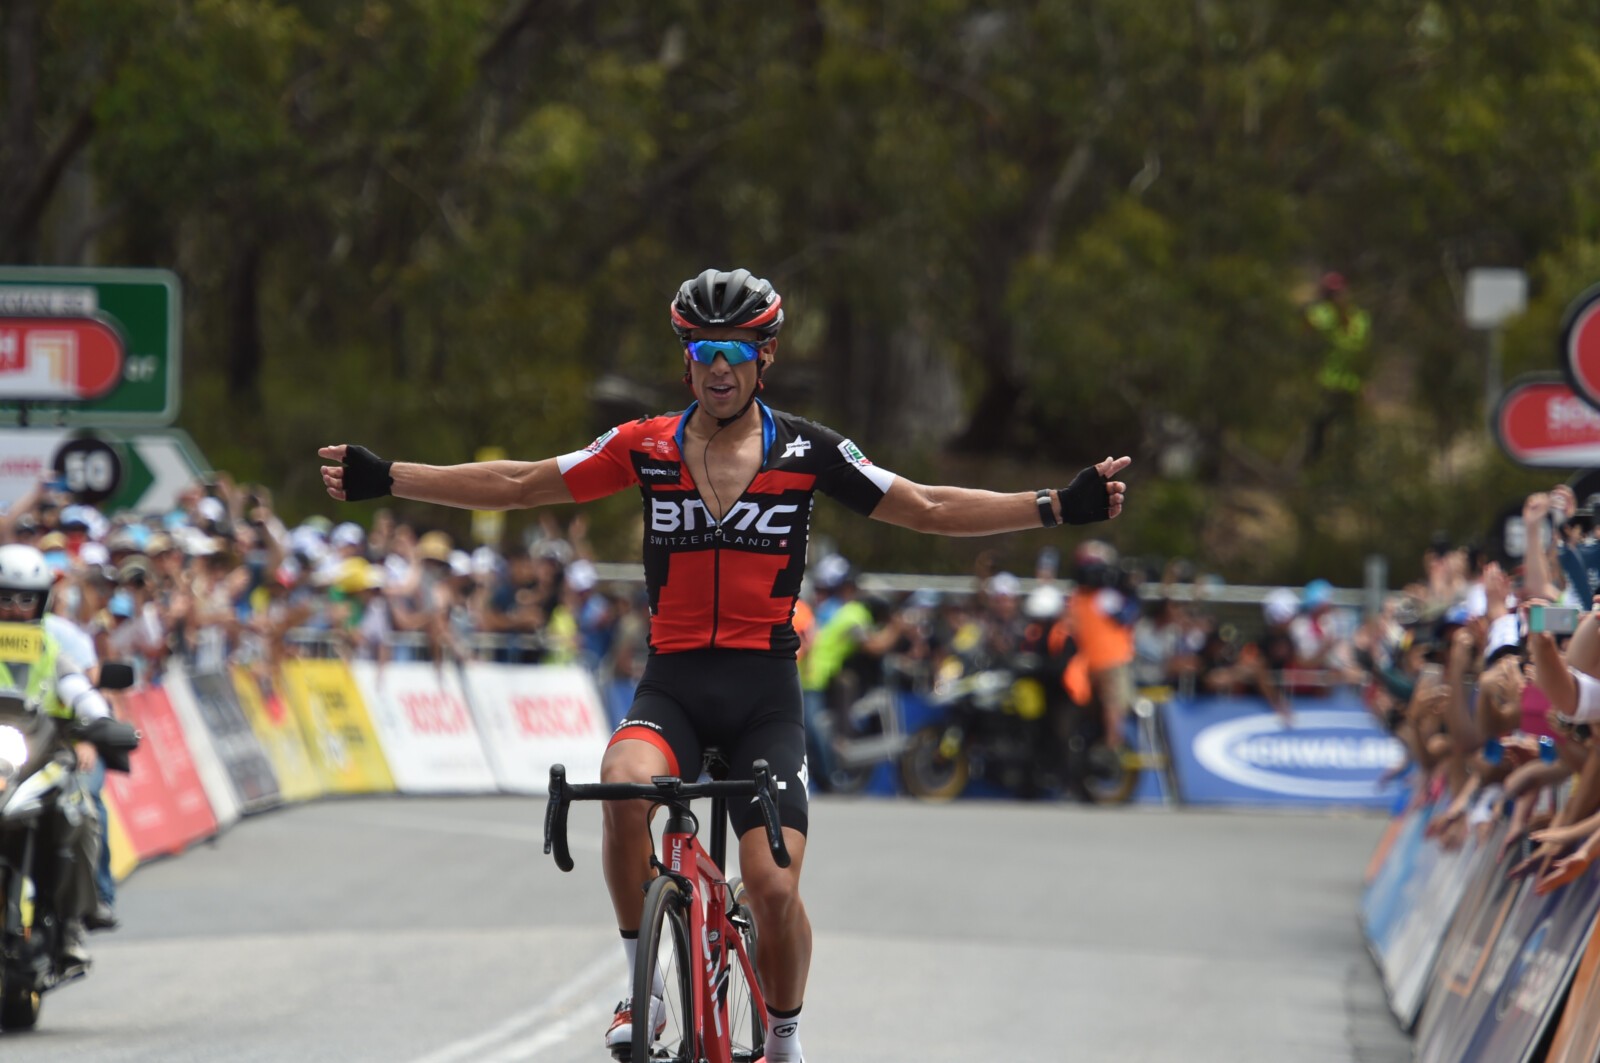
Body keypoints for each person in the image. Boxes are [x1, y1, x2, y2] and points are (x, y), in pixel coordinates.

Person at [317, 266, 1129, 1063]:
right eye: (701, 350)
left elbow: (924, 505)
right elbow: (527, 482)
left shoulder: (808, 450)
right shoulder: (646, 446)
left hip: (763, 698)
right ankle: (645, 984)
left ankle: (783, 1037)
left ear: (764, 357)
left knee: (772, 889)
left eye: (734, 352)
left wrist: (1054, 505)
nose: (716, 368)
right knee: (623, 782)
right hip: (671, 683)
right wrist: (390, 477)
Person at [0, 544, 118, 968]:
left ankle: (71, 922)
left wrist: (99, 723)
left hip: (43, 758)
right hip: (1, 765)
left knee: (81, 813)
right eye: (5, 598)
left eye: (25, 599)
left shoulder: (53, 647)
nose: (15, 609)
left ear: (42, 600)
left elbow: (80, 691)